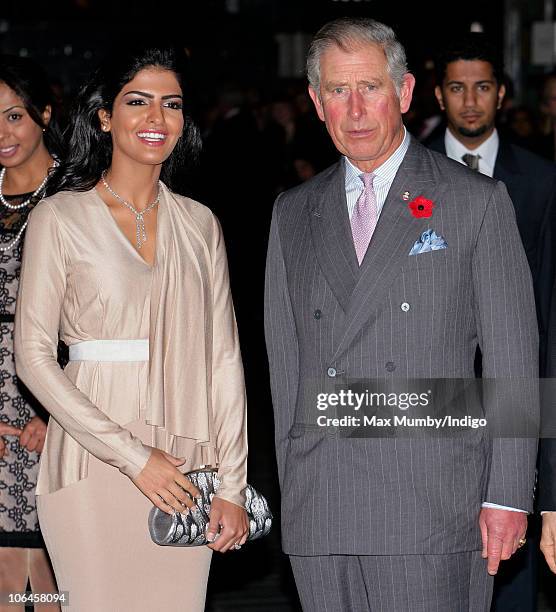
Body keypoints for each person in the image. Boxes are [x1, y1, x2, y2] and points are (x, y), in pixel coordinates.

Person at [264, 17, 538, 611]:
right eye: (338, 91)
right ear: (316, 102)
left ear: (406, 93)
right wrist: (295, 493)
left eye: (371, 87)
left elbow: (513, 358)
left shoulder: (474, 201)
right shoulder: (293, 213)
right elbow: (286, 372)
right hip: (323, 503)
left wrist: (510, 494)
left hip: (430, 503)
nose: (356, 109)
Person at [14, 47, 249, 612]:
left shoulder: (200, 225)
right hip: (92, 455)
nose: (156, 118)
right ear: (104, 116)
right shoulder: (60, 217)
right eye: (137, 102)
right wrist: (134, 457)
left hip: (187, 463)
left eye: (171, 105)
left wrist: (234, 485)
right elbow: (33, 357)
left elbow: (223, 360)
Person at [426, 34, 556, 611]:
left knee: (513, 565)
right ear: (437, 95)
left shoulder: (542, 181)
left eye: (481, 87)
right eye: (458, 88)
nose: (470, 101)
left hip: (516, 390)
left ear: (501, 94)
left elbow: (548, 302)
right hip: (434, 394)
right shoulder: (406, 169)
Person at [0, 54, 62, 610]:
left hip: (56, 391)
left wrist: (54, 408)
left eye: (14, 116)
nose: (2, 133)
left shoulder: (79, 195)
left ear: (43, 113)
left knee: (42, 562)